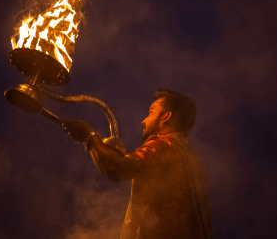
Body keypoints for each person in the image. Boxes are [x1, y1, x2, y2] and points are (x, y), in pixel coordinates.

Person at [63, 88, 212, 239]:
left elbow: (115, 169)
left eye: (151, 112)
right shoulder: (187, 154)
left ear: (166, 116)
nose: (144, 120)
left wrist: (89, 137)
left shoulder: (165, 144)